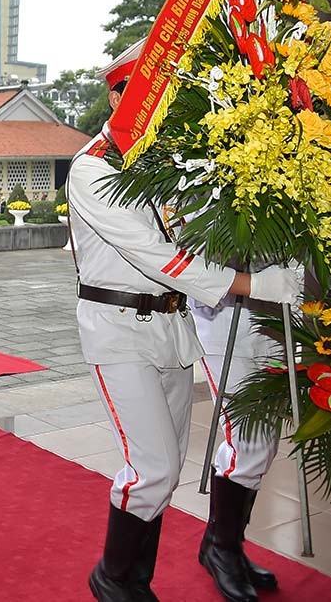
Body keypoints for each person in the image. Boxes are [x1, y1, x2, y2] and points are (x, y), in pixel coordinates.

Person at [68, 44, 303, 601]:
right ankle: (113, 578)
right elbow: (158, 256)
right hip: (118, 328)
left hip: (170, 330)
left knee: (167, 468)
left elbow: (197, 237)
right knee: (150, 465)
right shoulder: (94, 168)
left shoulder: (168, 167)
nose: (152, 112)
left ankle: (135, 580)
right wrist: (253, 286)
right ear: (115, 96)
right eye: (141, 97)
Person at [192, 296, 283, 597]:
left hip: (273, 319)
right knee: (248, 441)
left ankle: (224, 542)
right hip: (224, 318)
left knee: (264, 445)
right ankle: (223, 549)